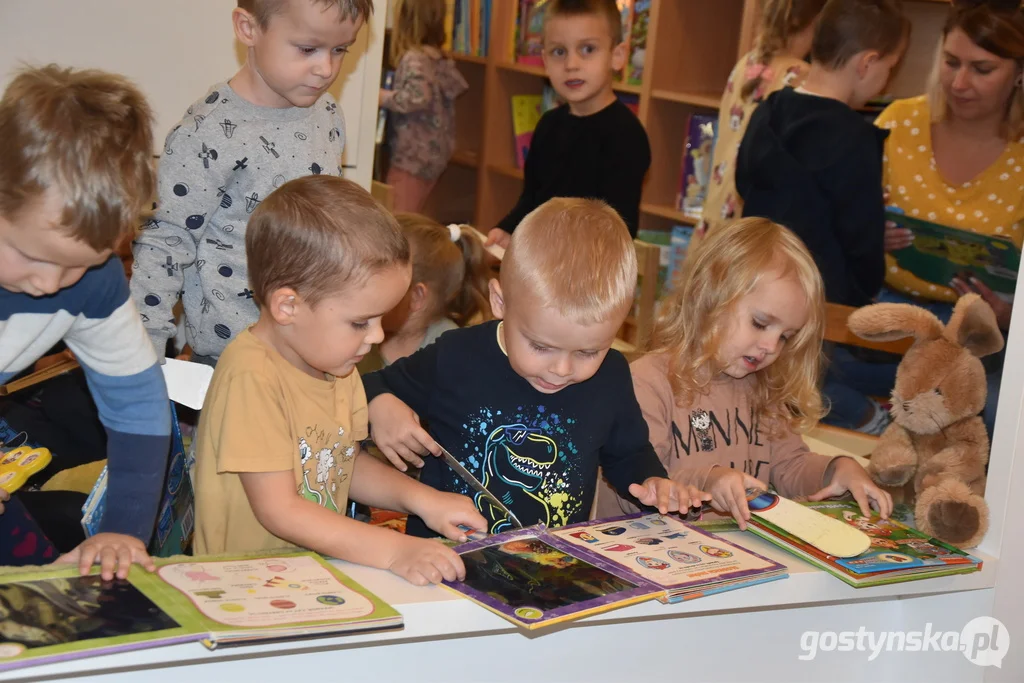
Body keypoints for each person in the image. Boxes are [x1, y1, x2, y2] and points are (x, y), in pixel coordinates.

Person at [192, 175, 486, 586]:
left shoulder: (338, 363)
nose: (378, 336)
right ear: (288, 306)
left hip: (312, 578)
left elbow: (345, 464)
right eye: (360, 321)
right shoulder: (251, 376)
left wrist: (423, 500)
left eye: (382, 318)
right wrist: (395, 551)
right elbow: (280, 510)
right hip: (244, 588)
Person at [364, 197, 710, 537]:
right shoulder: (456, 356)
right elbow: (366, 386)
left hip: (551, 568)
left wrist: (652, 482)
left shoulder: (612, 375)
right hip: (442, 561)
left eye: (588, 351)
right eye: (541, 346)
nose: (561, 368)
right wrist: (381, 404)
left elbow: (628, 454)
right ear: (500, 302)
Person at [597, 218, 892, 527]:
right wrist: (710, 483)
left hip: (731, 557)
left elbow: (790, 466)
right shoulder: (648, 382)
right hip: (646, 553)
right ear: (709, 297)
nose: (770, 346)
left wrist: (838, 470)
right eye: (760, 323)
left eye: (784, 337)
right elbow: (637, 486)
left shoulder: (764, 388)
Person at [130, 0, 372, 366]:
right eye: (308, 49)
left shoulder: (326, 114)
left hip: (312, 348)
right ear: (248, 29)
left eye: (339, 50)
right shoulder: (206, 132)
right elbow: (166, 241)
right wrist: (145, 348)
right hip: (232, 356)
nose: (326, 69)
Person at [0, 66, 171, 578]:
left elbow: (137, 409)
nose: (51, 284)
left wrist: (122, 528)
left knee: (43, 588)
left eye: (79, 262)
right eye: (30, 255)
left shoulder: (92, 283)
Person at [841, 0, 1024, 437]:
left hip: (984, 336)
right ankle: (884, 431)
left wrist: (1008, 312)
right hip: (889, 311)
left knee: (998, 409)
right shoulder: (898, 122)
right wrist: (868, 234)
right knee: (805, 369)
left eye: (982, 69)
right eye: (950, 62)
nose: (959, 82)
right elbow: (840, 223)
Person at [735, 0, 908, 308]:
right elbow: (861, 237)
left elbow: (743, 183)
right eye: (889, 68)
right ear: (867, 63)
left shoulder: (769, 109)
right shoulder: (855, 137)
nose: (887, 80)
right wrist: (866, 284)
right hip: (819, 303)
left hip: (753, 283)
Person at [487, 0, 650, 246]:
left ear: (616, 56)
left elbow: (619, 229)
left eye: (587, 49)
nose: (571, 65)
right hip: (543, 261)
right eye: (559, 52)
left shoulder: (626, 135)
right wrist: (507, 230)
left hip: (592, 271)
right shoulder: (548, 126)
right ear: (545, 60)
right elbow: (531, 201)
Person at [696, 0, 827, 247]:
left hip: (715, 216)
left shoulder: (746, 63)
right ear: (816, 24)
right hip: (749, 223)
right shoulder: (802, 76)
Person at [357, 214, 491, 375]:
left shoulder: (450, 350)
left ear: (416, 296)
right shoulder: (361, 333)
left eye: (374, 286)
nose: (360, 294)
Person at [380, 0, 470, 212]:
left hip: (412, 159)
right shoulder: (436, 58)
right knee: (410, 215)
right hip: (433, 159)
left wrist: (382, 97)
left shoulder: (415, 58)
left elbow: (417, 97)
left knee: (397, 219)